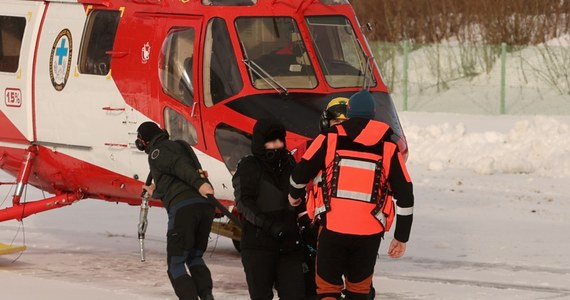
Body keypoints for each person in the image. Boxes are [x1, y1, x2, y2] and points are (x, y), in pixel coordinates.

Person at [289, 90, 415, 300]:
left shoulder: (329, 138)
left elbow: (299, 174)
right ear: (373, 114)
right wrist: (401, 236)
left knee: (327, 288)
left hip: (332, 228)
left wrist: (294, 196)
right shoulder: (388, 147)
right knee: (359, 290)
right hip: (369, 232)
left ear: (349, 113)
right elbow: (406, 195)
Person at [136, 121, 216, 300]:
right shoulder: (179, 146)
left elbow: (178, 166)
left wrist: (199, 184)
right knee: (195, 257)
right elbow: (174, 180)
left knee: (176, 264)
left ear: (144, 142)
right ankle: (207, 297)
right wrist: (154, 191)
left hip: (184, 209)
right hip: (204, 206)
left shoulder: (157, 154)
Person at [232, 118, 305, 300]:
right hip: (258, 245)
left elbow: (299, 196)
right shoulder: (249, 166)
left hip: (289, 246)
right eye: (272, 140)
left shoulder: (289, 163)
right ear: (260, 141)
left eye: (280, 140)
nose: (277, 145)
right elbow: (243, 202)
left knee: (295, 294)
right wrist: (269, 225)